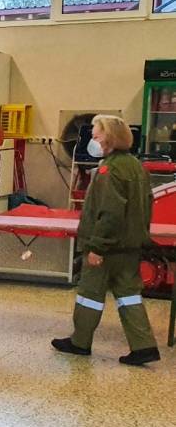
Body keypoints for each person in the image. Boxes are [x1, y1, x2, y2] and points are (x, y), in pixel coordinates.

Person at [53, 115, 160, 366]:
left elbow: (109, 213)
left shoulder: (108, 170)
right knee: (129, 295)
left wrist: (97, 247)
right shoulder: (135, 166)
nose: (93, 139)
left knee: (89, 294)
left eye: (96, 134)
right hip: (130, 246)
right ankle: (144, 346)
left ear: (109, 138)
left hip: (106, 248)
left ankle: (80, 341)